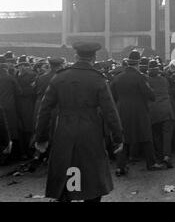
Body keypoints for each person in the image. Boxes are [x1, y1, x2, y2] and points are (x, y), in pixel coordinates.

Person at [35, 42, 124, 202]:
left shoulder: (59, 77)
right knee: (92, 178)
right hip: (90, 131)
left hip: (64, 130)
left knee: (65, 171)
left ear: (75, 56)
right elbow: (110, 112)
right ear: (94, 58)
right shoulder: (98, 79)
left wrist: (41, 137)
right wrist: (118, 138)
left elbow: (45, 109)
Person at [110, 50, 163, 176]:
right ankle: (151, 163)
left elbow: (112, 96)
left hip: (122, 110)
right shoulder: (141, 77)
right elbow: (150, 95)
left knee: (123, 139)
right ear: (138, 63)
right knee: (146, 136)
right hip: (139, 110)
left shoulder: (117, 78)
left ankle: (120, 167)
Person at [147, 59, 175, 169]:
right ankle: (167, 156)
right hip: (166, 109)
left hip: (153, 110)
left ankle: (159, 156)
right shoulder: (164, 80)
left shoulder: (147, 81)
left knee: (157, 135)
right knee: (167, 135)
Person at [0, 57, 21, 162]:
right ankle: (12, 155)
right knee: (11, 131)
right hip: (9, 107)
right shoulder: (10, 78)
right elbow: (19, 92)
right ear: (6, 69)